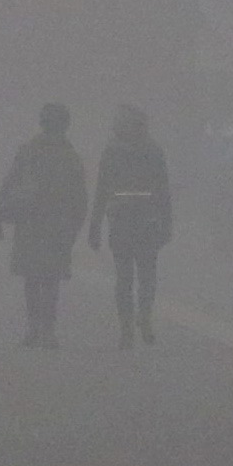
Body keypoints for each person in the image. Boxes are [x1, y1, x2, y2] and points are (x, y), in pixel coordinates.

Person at [0, 103, 88, 349]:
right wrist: (76, 225)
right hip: (58, 225)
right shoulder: (70, 155)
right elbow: (80, 196)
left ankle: (34, 327)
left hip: (30, 222)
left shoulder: (28, 151)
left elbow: (10, 182)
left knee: (32, 278)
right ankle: (48, 329)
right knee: (51, 278)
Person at [90, 103, 174, 346]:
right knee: (146, 274)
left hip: (123, 221)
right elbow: (163, 190)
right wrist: (167, 222)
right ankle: (142, 320)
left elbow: (102, 190)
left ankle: (128, 328)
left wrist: (95, 226)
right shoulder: (153, 150)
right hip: (146, 221)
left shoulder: (112, 151)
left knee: (125, 277)